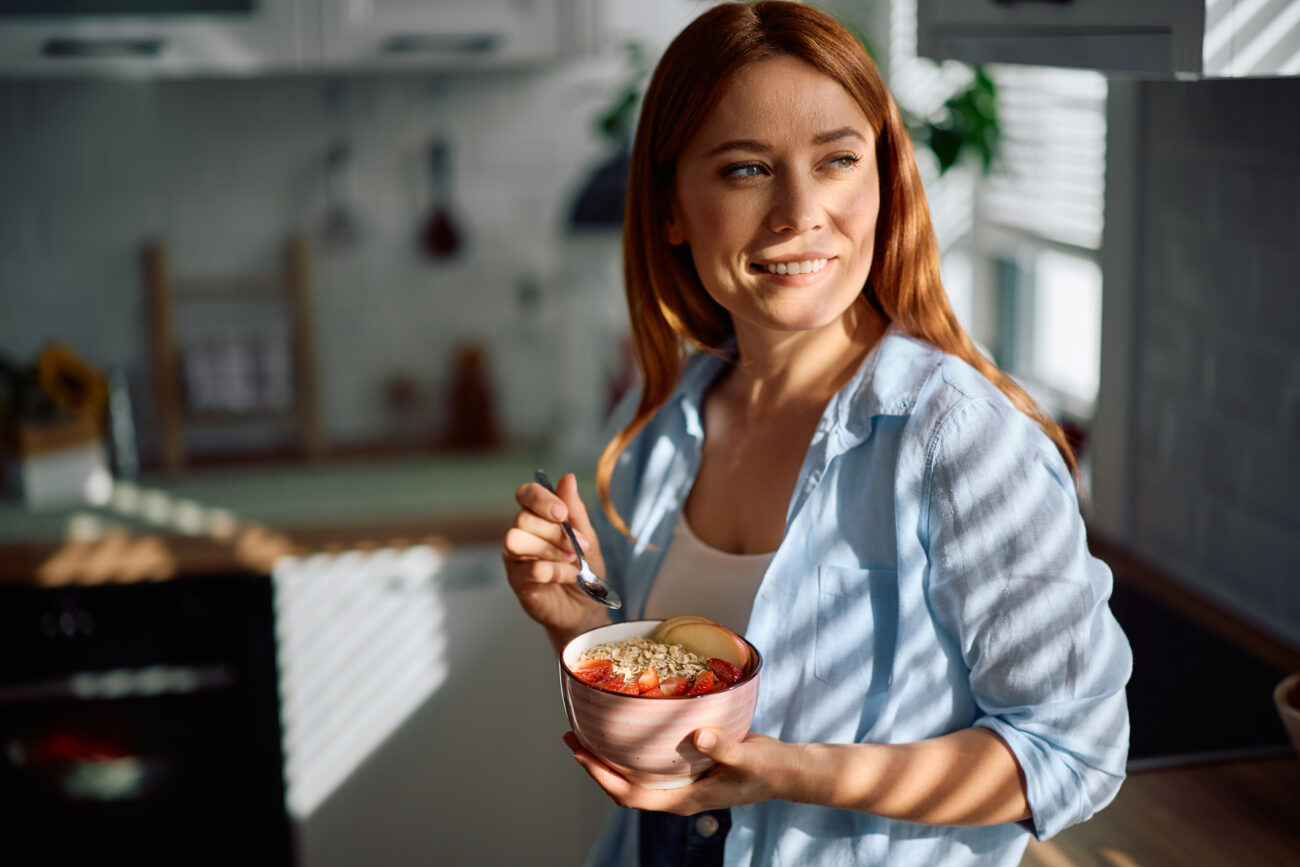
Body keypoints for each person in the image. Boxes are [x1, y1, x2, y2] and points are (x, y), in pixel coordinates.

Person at [501, 3, 1132, 865]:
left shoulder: (961, 439)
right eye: (746, 170)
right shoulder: (654, 427)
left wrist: (786, 771)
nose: (801, 212)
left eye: (837, 160)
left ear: (883, 179)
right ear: (671, 207)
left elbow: (1071, 754)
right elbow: (671, 735)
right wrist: (578, 625)